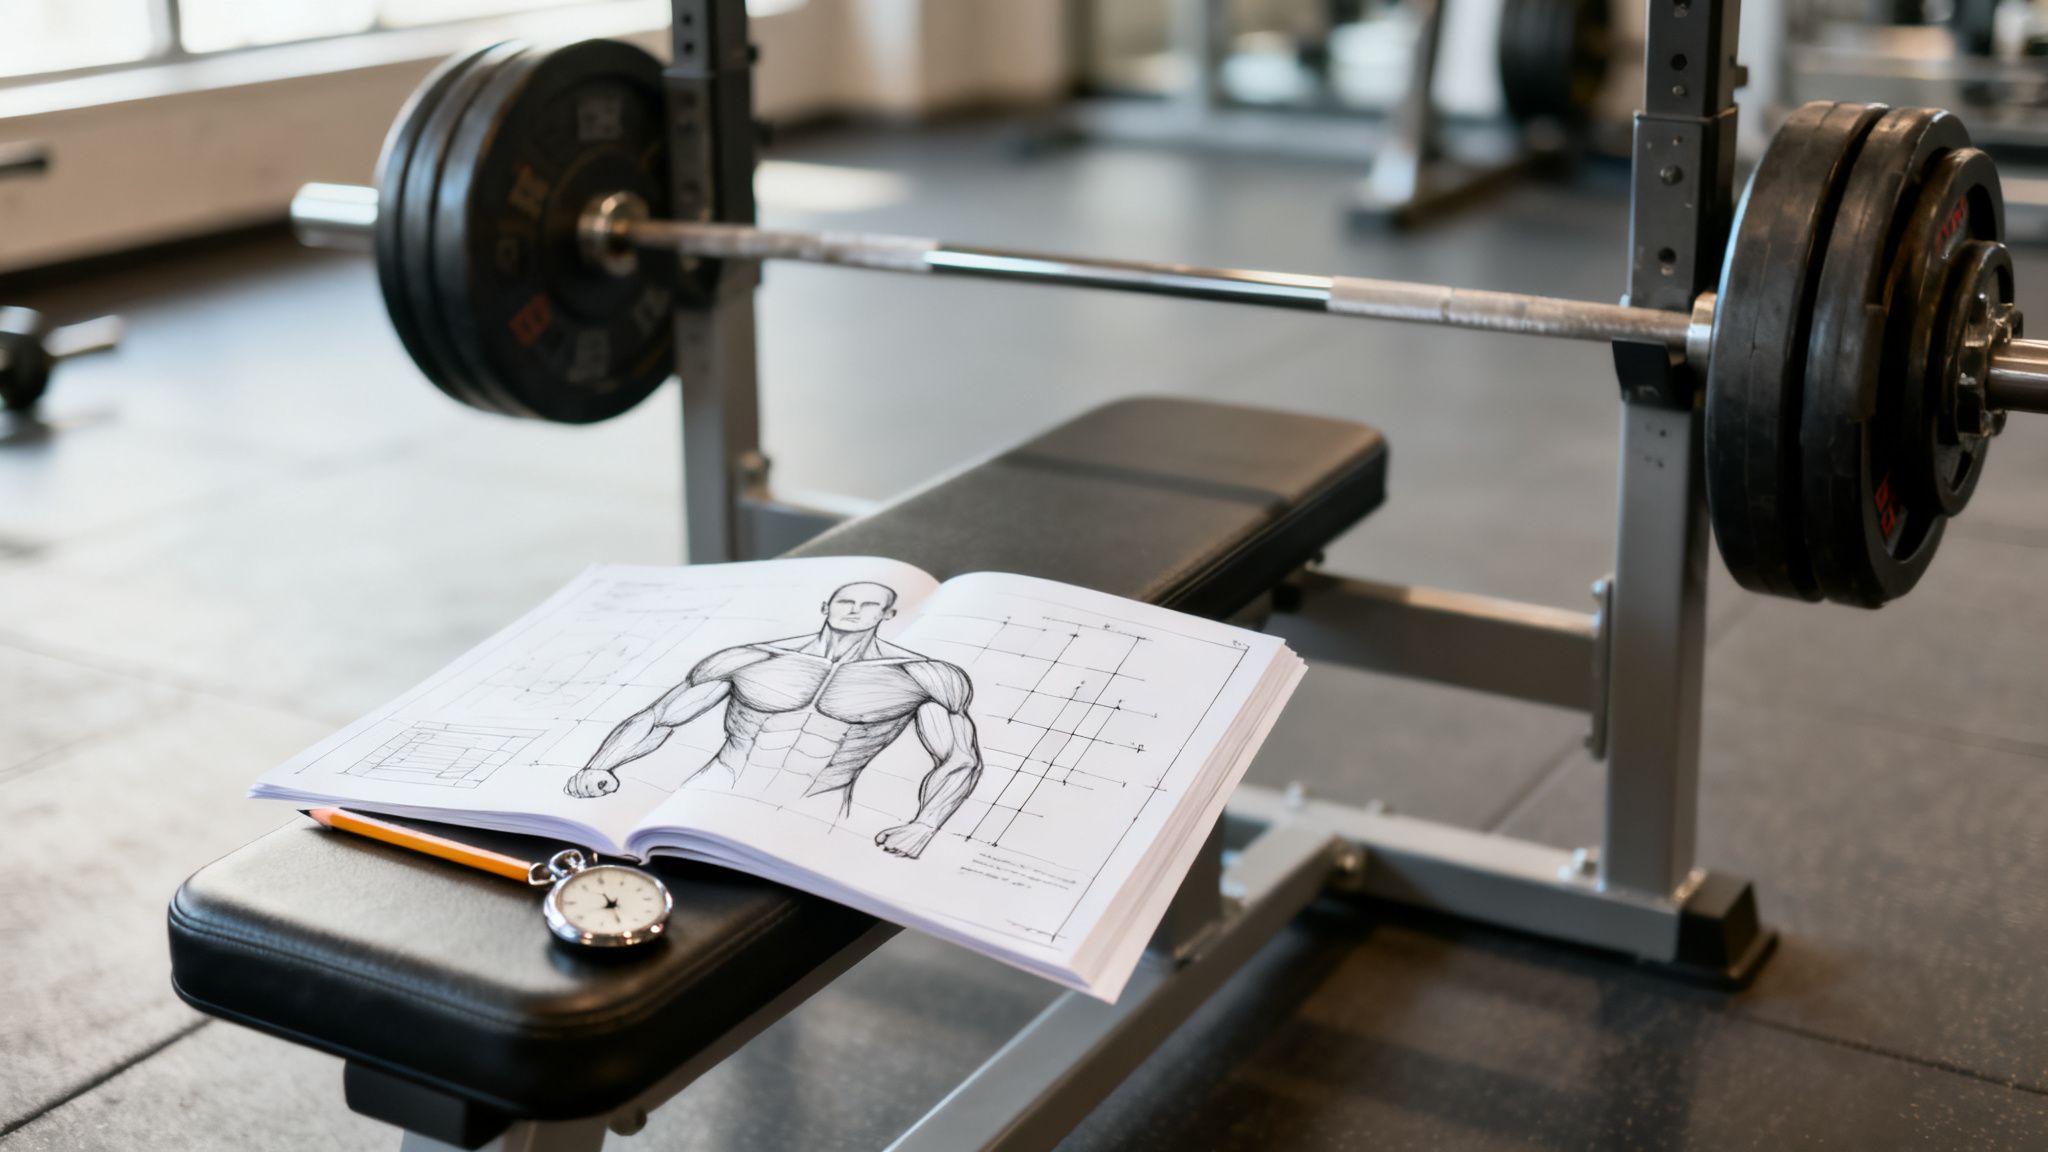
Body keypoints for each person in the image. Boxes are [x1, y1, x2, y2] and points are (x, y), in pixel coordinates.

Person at [564, 581, 982, 858]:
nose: (854, 611)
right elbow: (660, 718)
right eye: (845, 602)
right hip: (712, 793)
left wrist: (925, 825)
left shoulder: (923, 676)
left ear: (888, 615)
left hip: (818, 813)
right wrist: (600, 765)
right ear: (826, 607)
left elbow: (960, 758)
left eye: (869, 605)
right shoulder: (751, 658)